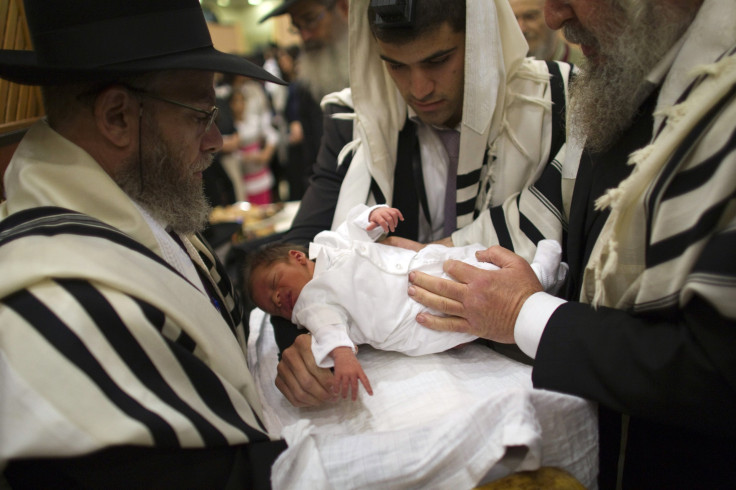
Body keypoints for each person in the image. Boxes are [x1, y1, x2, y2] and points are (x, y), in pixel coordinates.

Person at [404, 0, 736, 487]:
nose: (554, 15)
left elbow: (716, 369)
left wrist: (527, 315)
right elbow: (542, 210)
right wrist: (410, 258)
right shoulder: (636, 82)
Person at [0, 0, 289, 487]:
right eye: (200, 113)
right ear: (116, 116)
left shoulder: (141, 207)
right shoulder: (60, 307)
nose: (217, 139)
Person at [271, 0, 573, 405]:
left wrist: (436, 253)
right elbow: (299, 250)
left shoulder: (553, 103)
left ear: (478, 41)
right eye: (396, 66)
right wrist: (303, 343)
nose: (419, 89)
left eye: (438, 60)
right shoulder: (356, 120)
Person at [246, 204, 566, 401]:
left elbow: (354, 225)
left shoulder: (328, 244)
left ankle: (532, 277)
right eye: (273, 307)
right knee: (461, 317)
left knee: (468, 262)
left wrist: (373, 215)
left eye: (275, 284)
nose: (278, 299)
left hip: (416, 266)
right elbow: (327, 327)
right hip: (410, 319)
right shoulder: (311, 304)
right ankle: (540, 278)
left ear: (298, 257)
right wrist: (343, 357)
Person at [259, 0, 351, 197]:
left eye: (310, 20)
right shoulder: (307, 88)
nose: (304, 35)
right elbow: (314, 164)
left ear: (344, 8)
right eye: (297, 27)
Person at [509, 0, 585, 65]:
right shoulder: (504, 73)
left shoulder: (584, 70)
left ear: (551, 16)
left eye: (530, 17)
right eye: (513, 19)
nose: (521, 29)